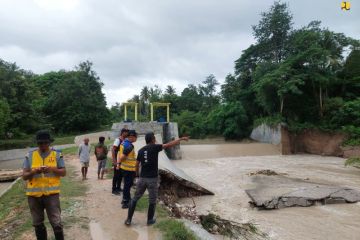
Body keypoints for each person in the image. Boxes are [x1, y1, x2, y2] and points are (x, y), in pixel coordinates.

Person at [125, 132, 189, 225]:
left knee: (135, 198)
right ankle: (149, 220)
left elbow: (137, 164)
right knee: (152, 200)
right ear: (152, 140)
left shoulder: (141, 150)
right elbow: (169, 144)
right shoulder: (155, 147)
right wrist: (181, 139)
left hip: (142, 178)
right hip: (152, 179)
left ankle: (128, 220)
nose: (155, 139)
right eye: (154, 138)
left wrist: (137, 175)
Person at [22, 130, 66, 240]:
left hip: (52, 195)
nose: (43, 145)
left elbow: (64, 172)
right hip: (33, 195)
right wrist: (34, 172)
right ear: (37, 143)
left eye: (45, 143)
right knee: (37, 223)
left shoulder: (57, 154)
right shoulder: (30, 155)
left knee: (56, 222)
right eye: (40, 143)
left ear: (49, 142)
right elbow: (24, 176)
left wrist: (52, 169)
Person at [116, 130, 137, 209]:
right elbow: (122, 157)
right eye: (136, 137)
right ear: (132, 137)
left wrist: (118, 164)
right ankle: (125, 202)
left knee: (126, 185)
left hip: (124, 168)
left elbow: (118, 153)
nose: (136, 139)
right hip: (129, 169)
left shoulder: (123, 143)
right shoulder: (129, 146)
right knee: (127, 185)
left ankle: (126, 199)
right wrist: (119, 162)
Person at [111, 128, 129, 195]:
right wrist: (114, 160)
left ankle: (118, 187)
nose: (127, 134)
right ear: (123, 132)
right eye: (126, 132)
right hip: (117, 160)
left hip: (122, 161)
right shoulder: (118, 140)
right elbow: (113, 150)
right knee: (116, 175)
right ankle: (114, 189)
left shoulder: (125, 140)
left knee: (120, 175)